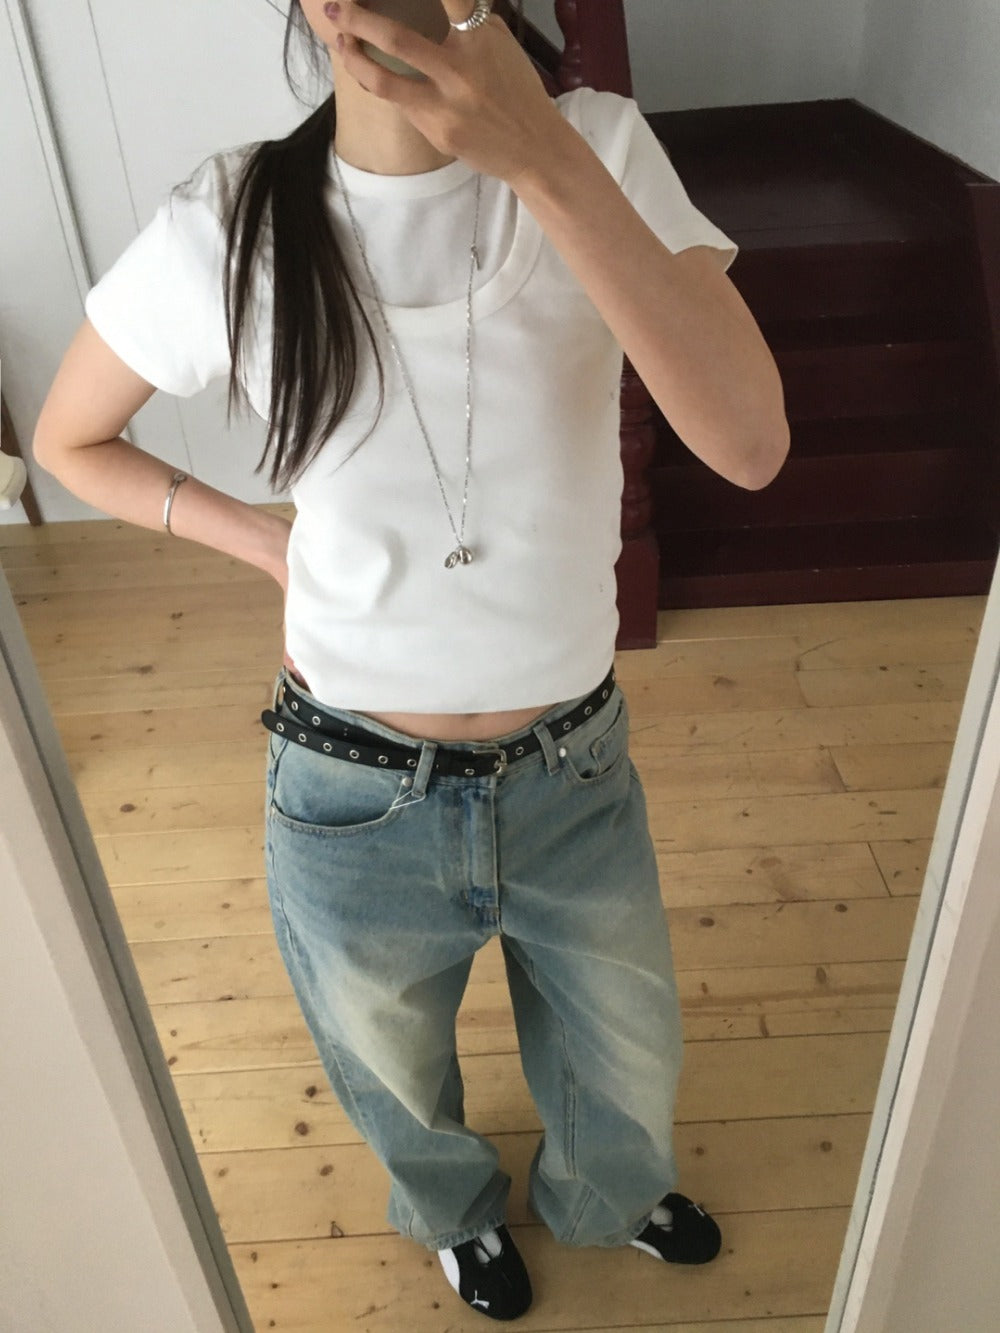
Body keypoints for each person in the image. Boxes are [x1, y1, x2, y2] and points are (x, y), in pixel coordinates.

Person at [33, 0, 789, 1321]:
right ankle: (453, 1216)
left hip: (572, 770)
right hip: (351, 792)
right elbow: (68, 441)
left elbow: (750, 443)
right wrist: (263, 544)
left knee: (625, 1052)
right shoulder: (234, 220)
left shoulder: (599, 148)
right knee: (388, 1063)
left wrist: (538, 157)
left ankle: (609, 1197)